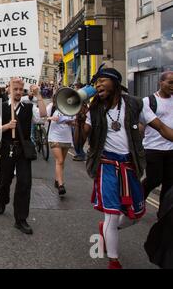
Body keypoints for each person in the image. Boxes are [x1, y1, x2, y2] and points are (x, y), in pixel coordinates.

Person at [74, 67, 173, 269]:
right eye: (96, 82)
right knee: (111, 212)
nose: (98, 85)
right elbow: (79, 142)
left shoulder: (135, 104)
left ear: (115, 83)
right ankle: (114, 261)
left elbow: (162, 128)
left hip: (130, 166)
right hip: (106, 166)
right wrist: (80, 119)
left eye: (102, 80)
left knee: (135, 215)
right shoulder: (94, 109)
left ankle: (108, 229)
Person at [0, 79, 47, 235]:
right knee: (4, 180)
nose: (19, 92)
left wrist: (38, 95)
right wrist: (6, 126)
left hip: (23, 150)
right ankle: (2, 200)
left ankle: (21, 219)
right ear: (9, 89)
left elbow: (43, 117)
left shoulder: (28, 107)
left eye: (21, 89)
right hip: (7, 148)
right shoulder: (0, 108)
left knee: (24, 183)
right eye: (16, 89)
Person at [142, 71, 173, 206]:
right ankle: (137, 201)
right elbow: (141, 125)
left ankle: (163, 213)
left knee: (169, 183)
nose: (172, 86)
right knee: (154, 179)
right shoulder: (148, 101)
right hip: (153, 148)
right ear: (161, 82)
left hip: (171, 148)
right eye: (170, 82)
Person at [46, 94, 75, 196]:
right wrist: (51, 118)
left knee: (62, 161)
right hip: (54, 137)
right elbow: (43, 116)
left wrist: (69, 122)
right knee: (60, 160)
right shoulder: (52, 106)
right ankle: (61, 185)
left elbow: (74, 122)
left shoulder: (71, 109)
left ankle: (57, 179)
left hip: (66, 137)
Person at [72, 83, 87, 161]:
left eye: (76, 87)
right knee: (75, 139)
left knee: (78, 139)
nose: (75, 89)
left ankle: (81, 154)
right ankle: (79, 153)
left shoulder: (83, 100)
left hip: (80, 123)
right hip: (76, 122)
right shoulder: (77, 98)